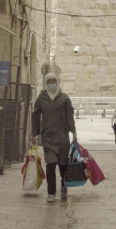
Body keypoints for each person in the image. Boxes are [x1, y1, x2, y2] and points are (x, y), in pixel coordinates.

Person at [32, 73, 77, 202]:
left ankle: (64, 186)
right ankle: (51, 192)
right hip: (48, 137)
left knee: (63, 164)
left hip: (63, 136)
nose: (53, 83)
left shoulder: (64, 98)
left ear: (58, 82)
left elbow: (70, 116)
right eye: (50, 81)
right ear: (46, 83)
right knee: (50, 164)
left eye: (54, 80)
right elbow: (35, 117)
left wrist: (74, 132)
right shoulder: (41, 98)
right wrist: (34, 134)